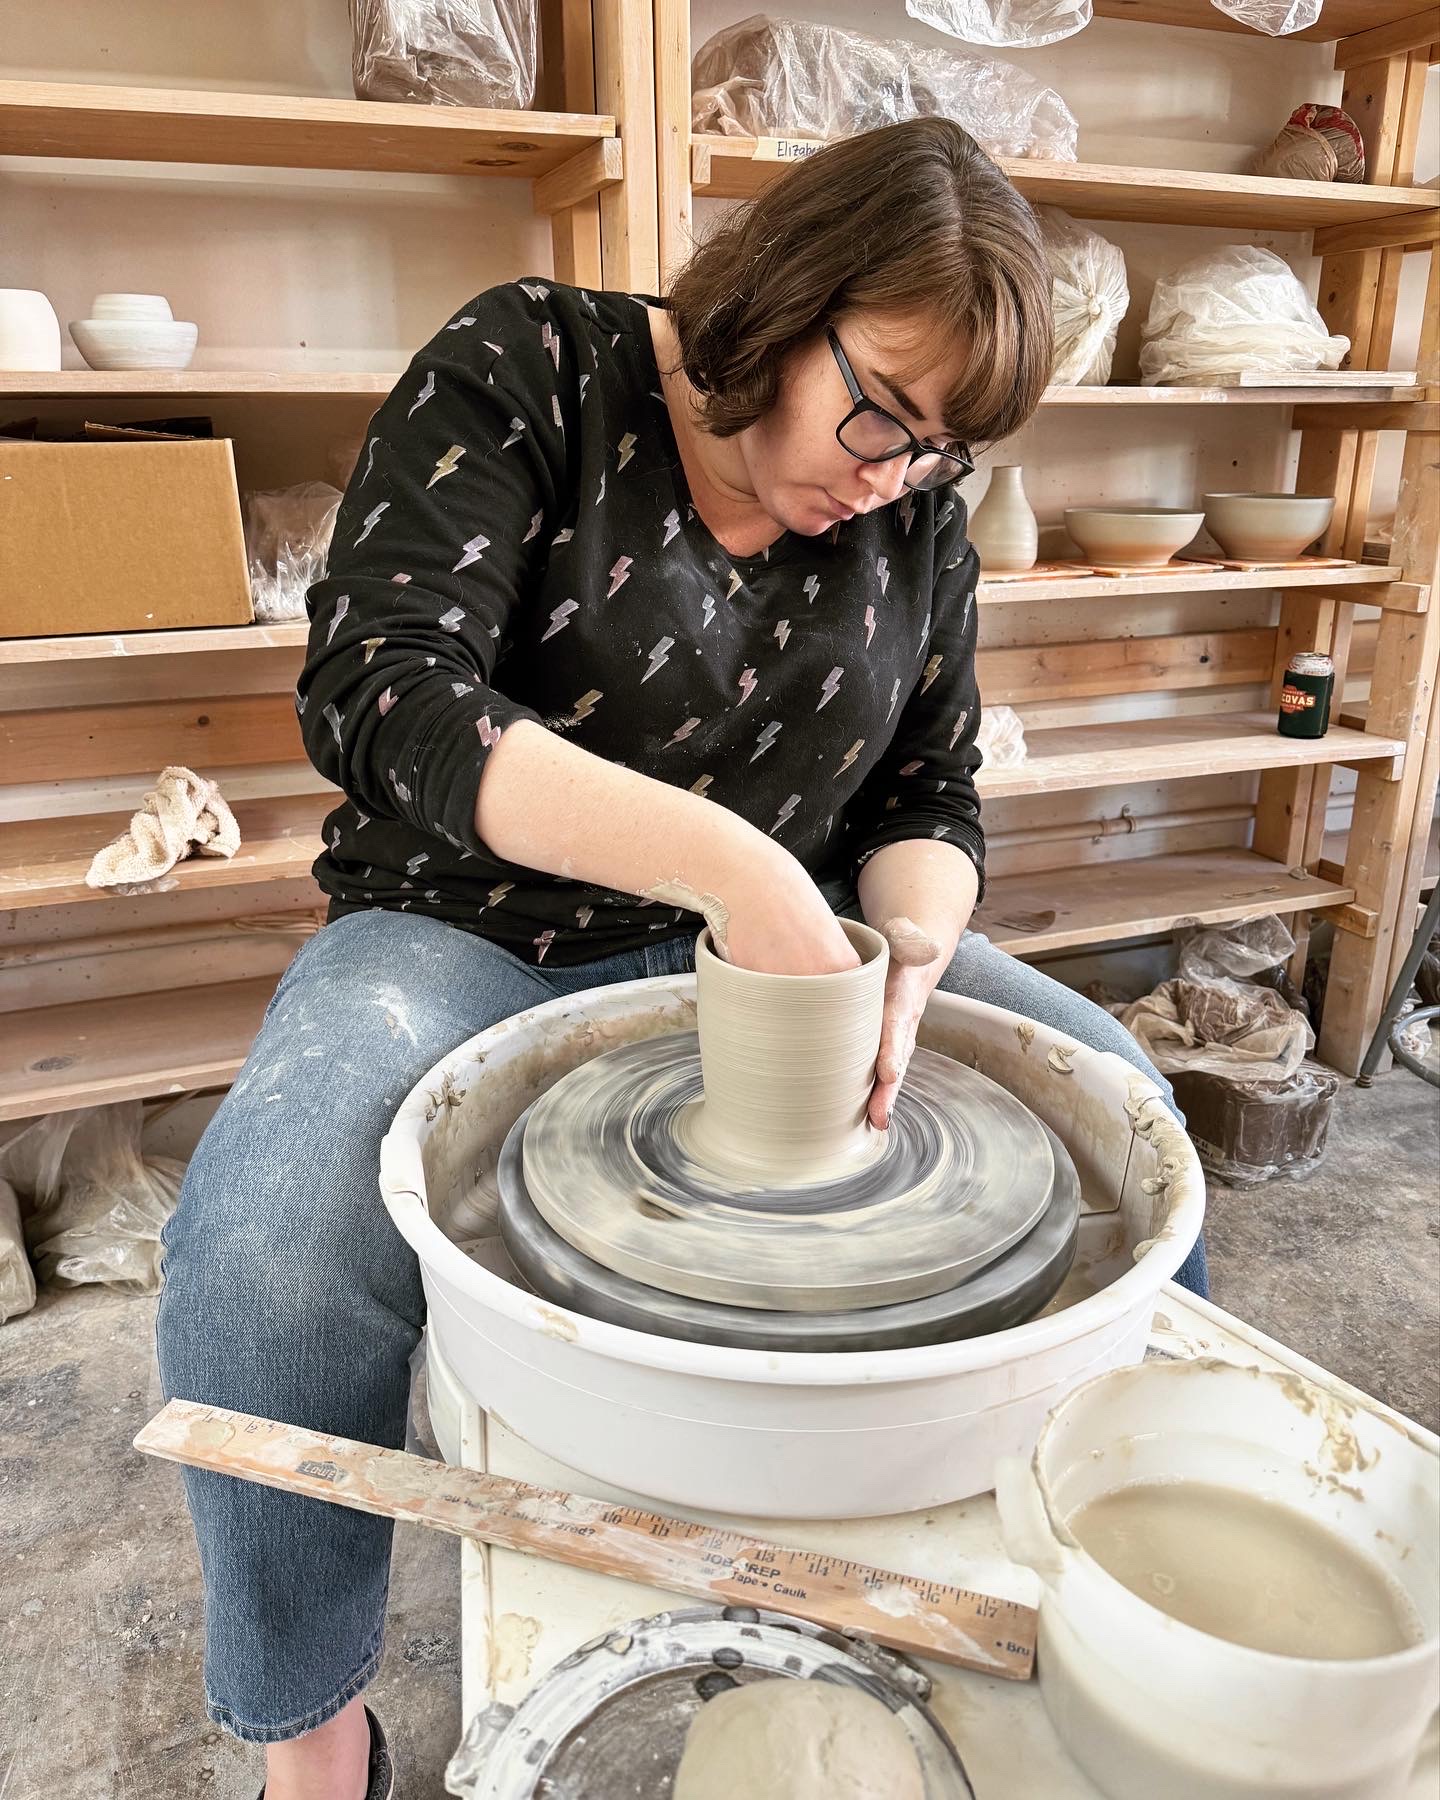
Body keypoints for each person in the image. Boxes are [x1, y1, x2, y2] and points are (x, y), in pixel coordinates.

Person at [156, 116, 1207, 1800]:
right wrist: (733, 861)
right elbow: (383, 692)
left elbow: (931, 785)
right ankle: (309, 1720)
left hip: (798, 962)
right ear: (783, 302)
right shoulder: (532, 366)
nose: (891, 476)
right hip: (467, 929)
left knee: (1122, 1119)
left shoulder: (912, 514)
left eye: (941, 453)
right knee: (267, 1245)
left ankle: (1103, 1614)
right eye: (880, 408)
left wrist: (916, 947)